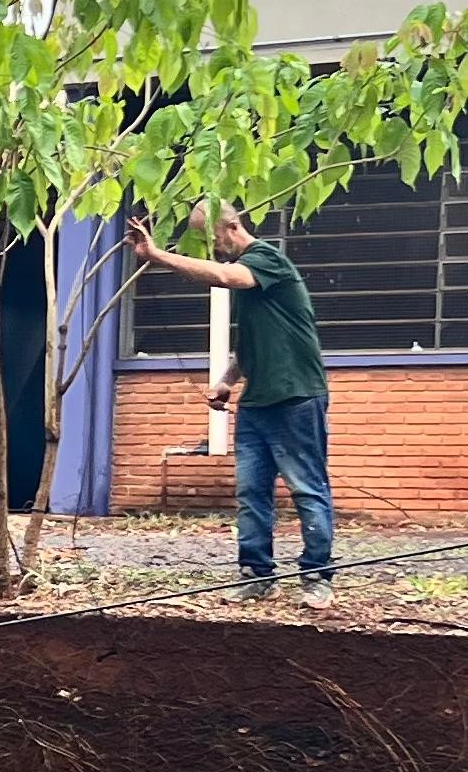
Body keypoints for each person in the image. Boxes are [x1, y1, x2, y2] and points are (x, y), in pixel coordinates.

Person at [125, 202, 334, 607]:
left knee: (307, 489)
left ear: (232, 227)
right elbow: (252, 342)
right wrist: (225, 381)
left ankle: (317, 576)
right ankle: (256, 574)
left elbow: (223, 276)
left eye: (211, 239)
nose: (211, 249)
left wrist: (156, 256)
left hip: (297, 396)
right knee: (251, 492)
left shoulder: (266, 259)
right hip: (256, 403)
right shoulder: (250, 282)